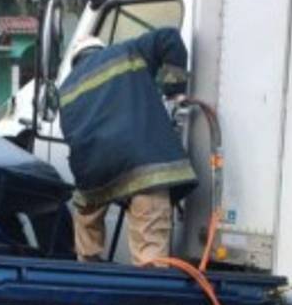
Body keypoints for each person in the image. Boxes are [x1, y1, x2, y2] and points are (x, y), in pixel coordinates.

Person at [58, 29, 197, 266]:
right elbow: (169, 37)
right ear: (99, 49)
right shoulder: (127, 51)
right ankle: (147, 294)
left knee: (85, 215)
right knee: (150, 258)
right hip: (145, 166)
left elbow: (74, 141)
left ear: (75, 61)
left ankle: (88, 266)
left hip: (94, 174)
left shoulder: (66, 90)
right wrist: (174, 91)